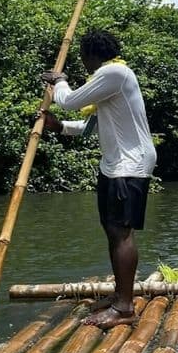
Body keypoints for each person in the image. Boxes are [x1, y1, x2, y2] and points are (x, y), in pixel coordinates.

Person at [40, 30, 157, 329]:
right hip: (114, 165)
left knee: (121, 231)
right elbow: (90, 125)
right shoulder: (108, 80)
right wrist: (58, 127)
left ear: (89, 54)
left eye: (83, 57)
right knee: (111, 228)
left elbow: (67, 100)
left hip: (129, 164)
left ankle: (124, 309)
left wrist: (59, 80)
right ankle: (121, 295)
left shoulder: (115, 73)